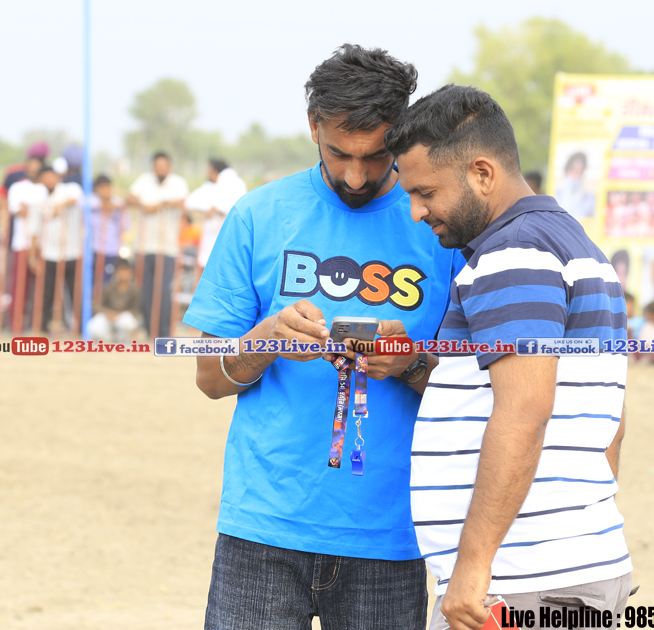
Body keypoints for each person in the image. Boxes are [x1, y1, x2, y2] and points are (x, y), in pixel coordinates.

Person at [184, 44, 462, 630]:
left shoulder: (440, 227)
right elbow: (209, 377)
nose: (356, 176)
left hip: (392, 535)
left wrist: (410, 363)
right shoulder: (258, 215)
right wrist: (266, 339)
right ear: (313, 127)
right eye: (339, 154)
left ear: (402, 134)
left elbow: (476, 390)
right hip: (263, 528)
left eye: (376, 156)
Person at [386, 84, 632, 629]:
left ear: (482, 173)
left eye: (426, 192)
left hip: (520, 584)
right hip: (571, 567)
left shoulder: (512, 254)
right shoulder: (578, 247)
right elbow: (609, 415)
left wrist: (474, 566)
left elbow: (524, 410)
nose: (417, 212)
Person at [129, 151, 189, 337]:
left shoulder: (178, 183)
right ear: (153, 167)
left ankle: (164, 332)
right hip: (144, 245)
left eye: (164, 166)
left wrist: (159, 204)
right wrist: (143, 205)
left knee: (163, 291)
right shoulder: (144, 180)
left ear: (169, 167)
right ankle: (150, 331)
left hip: (167, 247)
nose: (161, 169)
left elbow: (183, 201)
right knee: (145, 290)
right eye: (158, 166)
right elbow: (130, 198)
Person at [36, 165, 83, 334]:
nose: (49, 180)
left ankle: (81, 328)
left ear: (58, 177)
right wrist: (34, 255)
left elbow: (78, 198)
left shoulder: (70, 189)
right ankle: (42, 327)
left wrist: (61, 205)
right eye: (45, 177)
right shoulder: (40, 200)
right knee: (47, 293)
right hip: (50, 253)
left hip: (72, 252)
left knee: (75, 293)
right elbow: (35, 230)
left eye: (51, 176)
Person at [5, 155, 48, 332]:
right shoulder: (17, 188)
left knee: (39, 287)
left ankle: (36, 324)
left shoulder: (45, 189)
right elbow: (17, 211)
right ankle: (16, 324)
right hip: (22, 243)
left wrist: (29, 209)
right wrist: (31, 210)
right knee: (19, 286)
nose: (33, 171)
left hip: (41, 245)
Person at [184, 158, 248, 270]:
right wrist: (209, 208)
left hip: (228, 232)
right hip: (211, 235)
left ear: (214, 171)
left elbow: (239, 205)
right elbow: (189, 202)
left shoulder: (234, 183)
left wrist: (217, 208)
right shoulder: (210, 186)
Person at [89, 174, 128, 287]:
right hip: (95, 249)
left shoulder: (118, 203)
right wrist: (105, 205)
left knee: (108, 284)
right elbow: (80, 201)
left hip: (112, 251)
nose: (106, 190)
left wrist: (115, 210)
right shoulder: (91, 201)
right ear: (97, 189)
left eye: (108, 187)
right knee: (94, 282)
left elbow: (125, 226)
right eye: (103, 187)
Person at [87, 258, 140, 342]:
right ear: (116, 273)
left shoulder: (134, 290)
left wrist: (118, 314)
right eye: (121, 271)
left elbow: (135, 308)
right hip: (108, 316)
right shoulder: (109, 287)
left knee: (129, 322)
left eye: (126, 271)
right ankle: (107, 338)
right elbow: (97, 304)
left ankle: (122, 338)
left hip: (123, 317)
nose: (124, 274)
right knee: (92, 327)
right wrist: (107, 313)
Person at [554, 151, 595, 218]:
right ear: (567, 172)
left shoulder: (590, 200)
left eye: (579, 171)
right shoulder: (556, 195)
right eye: (573, 169)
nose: (576, 174)